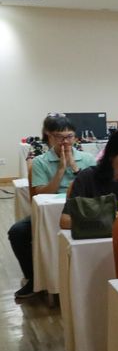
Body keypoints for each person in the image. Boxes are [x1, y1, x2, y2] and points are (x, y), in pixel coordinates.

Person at [8, 115, 96, 299]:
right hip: (49, 213)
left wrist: (74, 167)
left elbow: (95, 190)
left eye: (69, 136)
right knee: (17, 232)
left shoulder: (87, 159)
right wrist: (61, 170)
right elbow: (41, 194)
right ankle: (34, 279)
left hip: (80, 212)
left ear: (75, 137)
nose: (65, 142)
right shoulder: (40, 161)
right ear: (50, 137)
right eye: (59, 137)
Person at [59, 129, 118, 229]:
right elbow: (65, 221)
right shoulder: (87, 178)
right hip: (97, 237)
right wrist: (106, 221)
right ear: (111, 156)